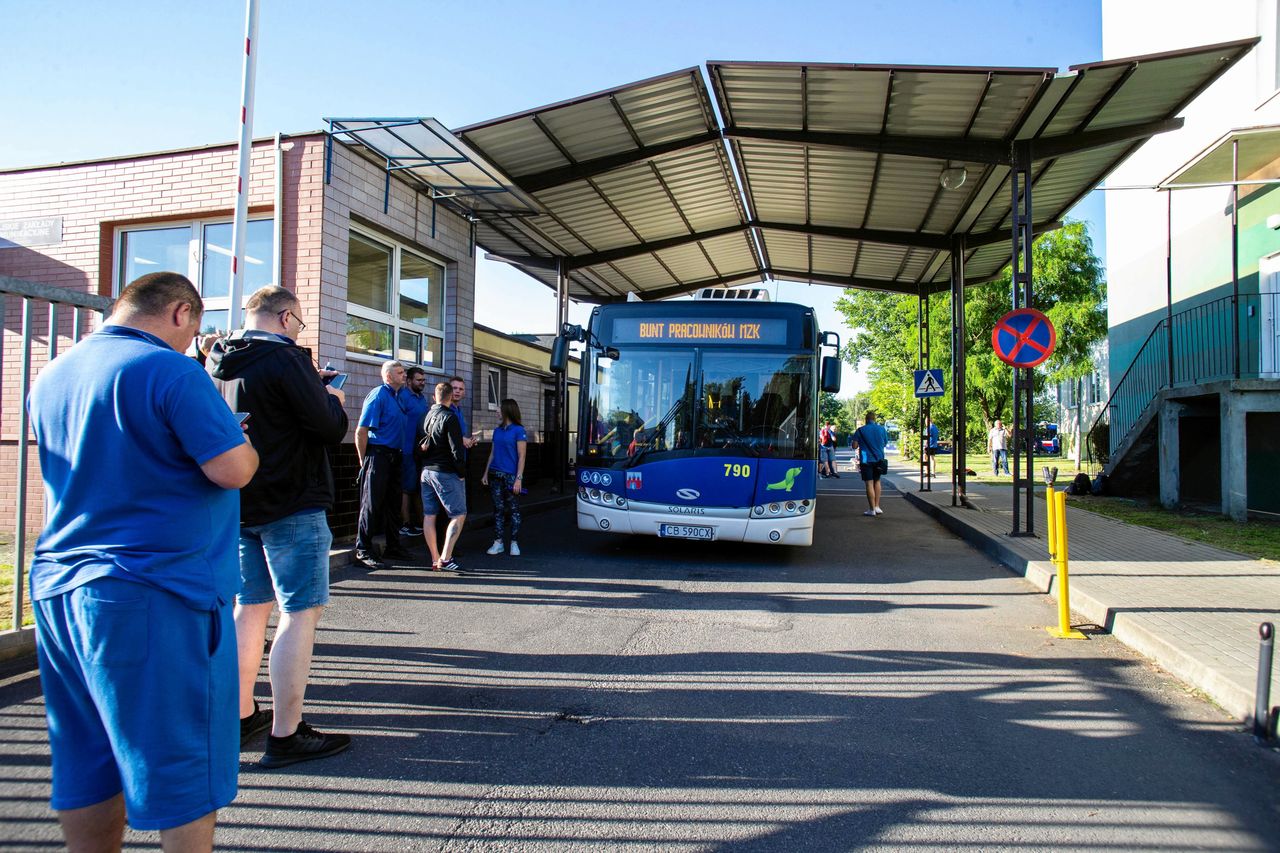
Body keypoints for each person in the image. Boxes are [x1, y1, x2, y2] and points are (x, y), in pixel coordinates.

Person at [26, 272, 258, 851]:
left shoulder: (52, 375)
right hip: (155, 588)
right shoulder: (171, 369)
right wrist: (237, 435)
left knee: (87, 757)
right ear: (181, 313)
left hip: (61, 585)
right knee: (181, 765)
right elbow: (233, 468)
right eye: (194, 330)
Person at [206, 285, 353, 769]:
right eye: (301, 321)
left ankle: (240, 714)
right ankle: (287, 734)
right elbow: (330, 429)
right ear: (287, 317)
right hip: (292, 499)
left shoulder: (220, 359)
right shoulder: (288, 360)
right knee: (300, 612)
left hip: (240, 500)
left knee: (249, 609)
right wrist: (330, 394)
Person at [354, 360, 412, 569]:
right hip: (378, 455)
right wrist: (363, 460)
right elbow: (361, 431)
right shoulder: (378, 395)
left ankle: (393, 546)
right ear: (388, 376)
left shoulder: (397, 397)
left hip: (395, 457)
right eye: (400, 372)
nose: (404, 375)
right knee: (371, 505)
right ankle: (363, 550)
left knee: (393, 504)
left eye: (404, 372)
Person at [419, 381, 468, 571]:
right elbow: (457, 450)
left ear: (435, 396)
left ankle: (434, 558)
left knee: (429, 515)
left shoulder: (428, 415)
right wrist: (461, 473)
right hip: (445, 471)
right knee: (458, 514)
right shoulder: (450, 417)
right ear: (449, 397)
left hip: (426, 472)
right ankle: (446, 558)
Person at [483, 398, 528, 556]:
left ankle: (514, 542)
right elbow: (493, 453)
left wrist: (518, 478)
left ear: (507, 410)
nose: (496, 411)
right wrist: (485, 473)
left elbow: (522, 456)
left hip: (511, 476)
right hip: (495, 474)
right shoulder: (497, 431)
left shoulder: (519, 430)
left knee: (514, 510)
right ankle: (498, 542)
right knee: (498, 509)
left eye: (498, 408)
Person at [400, 366, 430, 538]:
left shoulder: (422, 399)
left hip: (420, 450)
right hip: (406, 449)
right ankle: (405, 523)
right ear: (409, 381)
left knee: (417, 487)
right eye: (419, 380)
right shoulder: (403, 397)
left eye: (423, 380)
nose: (422, 383)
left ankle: (419, 522)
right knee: (407, 488)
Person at [851, 410, 890, 517]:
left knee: (869, 483)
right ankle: (877, 506)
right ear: (874, 419)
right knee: (877, 481)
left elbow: (854, 446)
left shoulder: (860, 430)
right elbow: (885, 443)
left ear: (866, 420)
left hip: (866, 460)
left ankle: (871, 509)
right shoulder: (882, 429)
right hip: (879, 460)